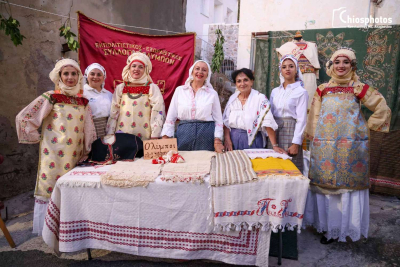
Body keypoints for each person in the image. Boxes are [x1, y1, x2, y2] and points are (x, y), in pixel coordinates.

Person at [303, 47, 391, 244]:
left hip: (351, 147)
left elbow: (381, 107)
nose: (341, 66)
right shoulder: (322, 89)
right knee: (325, 188)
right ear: (331, 65)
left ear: (352, 65)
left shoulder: (358, 88)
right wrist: (314, 140)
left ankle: (345, 228)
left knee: (346, 188)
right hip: (325, 147)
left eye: (345, 62)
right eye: (337, 62)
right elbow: (314, 116)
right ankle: (327, 228)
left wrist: (366, 127)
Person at [15, 58, 96, 234]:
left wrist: (87, 149)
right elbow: (25, 117)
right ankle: (48, 231)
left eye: (74, 73)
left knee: (71, 190)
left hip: (75, 155)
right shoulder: (50, 97)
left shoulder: (83, 101)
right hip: (52, 155)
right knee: (50, 187)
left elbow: (89, 128)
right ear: (59, 76)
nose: (70, 77)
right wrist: (38, 137)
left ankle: (69, 230)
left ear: (79, 77)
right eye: (66, 73)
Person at [161, 60, 224, 153]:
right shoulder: (180, 91)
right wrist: (166, 136)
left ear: (207, 74)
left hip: (206, 135)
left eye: (204, 70)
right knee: (182, 163)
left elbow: (218, 120)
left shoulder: (212, 94)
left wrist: (217, 140)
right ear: (192, 71)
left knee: (205, 163)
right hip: (184, 134)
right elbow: (171, 116)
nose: (200, 72)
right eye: (197, 69)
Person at [223, 68, 285, 153]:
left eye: (246, 80)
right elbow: (226, 122)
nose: (242, 84)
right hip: (233, 140)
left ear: (252, 81)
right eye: (239, 81)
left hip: (254, 141)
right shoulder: (232, 99)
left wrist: (275, 145)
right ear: (235, 84)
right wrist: (227, 140)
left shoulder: (260, 98)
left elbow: (268, 122)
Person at [106, 52, 165, 140]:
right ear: (129, 68)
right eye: (134, 66)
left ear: (145, 70)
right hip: (121, 135)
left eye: (140, 67)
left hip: (145, 137)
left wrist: (155, 135)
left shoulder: (152, 88)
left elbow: (158, 111)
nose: (136, 69)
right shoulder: (121, 88)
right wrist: (110, 133)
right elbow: (114, 111)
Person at [269, 54, 308, 173]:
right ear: (280, 70)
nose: (287, 69)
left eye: (291, 66)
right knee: (274, 166)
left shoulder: (301, 92)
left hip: (291, 132)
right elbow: (270, 114)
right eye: (284, 66)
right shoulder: (275, 91)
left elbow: (302, 119)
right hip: (274, 131)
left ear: (296, 70)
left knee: (290, 167)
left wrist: (296, 143)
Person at [83, 63, 112, 139]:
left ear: (103, 77)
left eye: (99, 75)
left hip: (107, 130)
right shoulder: (82, 93)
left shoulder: (109, 94)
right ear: (87, 76)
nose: (95, 77)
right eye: (92, 74)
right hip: (89, 129)